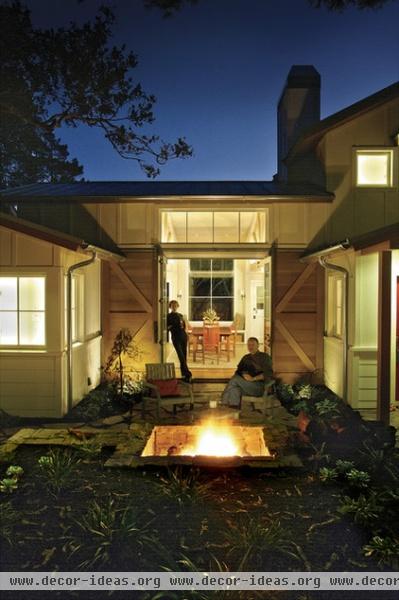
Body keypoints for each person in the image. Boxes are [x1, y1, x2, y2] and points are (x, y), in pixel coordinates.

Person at [221, 337, 273, 408]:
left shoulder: (264, 357)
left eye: (253, 345)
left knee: (235, 379)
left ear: (258, 345)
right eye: (249, 345)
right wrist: (244, 374)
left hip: (259, 387)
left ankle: (223, 402)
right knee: (234, 389)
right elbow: (238, 371)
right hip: (246, 386)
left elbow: (268, 374)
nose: (250, 347)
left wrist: (253, 378)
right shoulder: (246, 358)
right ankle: (234, 412)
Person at [167, 300, 192, 382]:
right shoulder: (168, 316)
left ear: (177, 306)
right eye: (172, 305)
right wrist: (173, 326)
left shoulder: (181, 315)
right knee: (181, 356)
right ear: (170, 307)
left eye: (175, 305)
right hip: (176, 337)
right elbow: (168, 327)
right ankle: (188, 374)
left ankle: (184, 375)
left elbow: (184, 326)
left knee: (184, 356)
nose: (174, 307)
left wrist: (187, 334)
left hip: (183, 336)